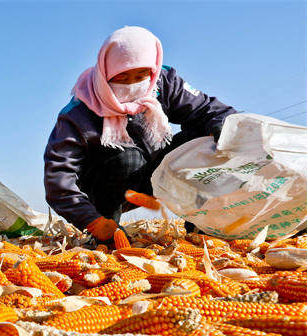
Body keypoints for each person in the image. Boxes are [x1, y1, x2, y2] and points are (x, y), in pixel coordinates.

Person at [44, 26, 237, 244]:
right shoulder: (79, 113)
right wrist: (93, 221)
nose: (132, 85)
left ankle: (203, 225)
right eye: (122, 77)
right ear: (106, 72)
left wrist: (223, 126)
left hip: (155, 174)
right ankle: (109, 232)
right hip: (105, 185)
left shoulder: (164, 82)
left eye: (140, 76)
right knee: (127, 158)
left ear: (152, 71)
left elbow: (209, 109)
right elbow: (58, 180)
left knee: (201, 138)